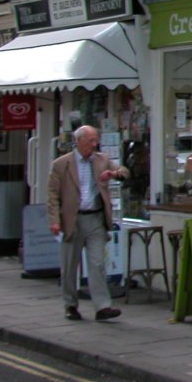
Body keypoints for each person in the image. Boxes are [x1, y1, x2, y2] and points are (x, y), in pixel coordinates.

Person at [46, 125, 129, 321]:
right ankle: (70, 305)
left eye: (95, 140)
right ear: (78, 142)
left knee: (97, 263)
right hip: (72, 220)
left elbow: (124, 171)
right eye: (90, 141)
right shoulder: (61, 164)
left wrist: (113, 174)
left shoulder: (102, 160)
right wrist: (54, 221)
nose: (94, 144)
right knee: (69, 266)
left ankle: (102, 307)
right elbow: (52, 196)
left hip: (95, 219)